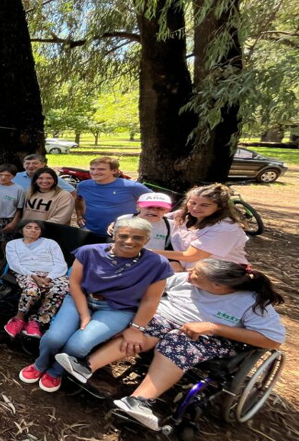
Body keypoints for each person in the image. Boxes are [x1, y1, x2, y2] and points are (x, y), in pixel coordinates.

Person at [56, 260, 285, 431]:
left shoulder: (251, 303)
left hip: (208, 336)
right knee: (145, 327)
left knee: (177, 341)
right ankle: (86, 366)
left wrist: (213, 327)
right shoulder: (183, 279)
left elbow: (272, 340)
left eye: (197, 274)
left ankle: (139, 400)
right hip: (164, 319)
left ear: (217, 285)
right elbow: (151, 293)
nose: (189, 273)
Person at [19, 217, 173, 393]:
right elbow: (74, 283)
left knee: (78, 345)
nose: (129, 241)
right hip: (81, 298)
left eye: (138, 237)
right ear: (114, 235)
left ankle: (56, 371)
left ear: (147, 239)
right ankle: (40, 364)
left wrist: (136, 329)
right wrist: (84, 315)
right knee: (54, 338)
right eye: (123, 236)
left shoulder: (158, 264)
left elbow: (151, 300)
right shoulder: (89, 252)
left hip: (117, 309)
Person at [151, 183, 249, 270]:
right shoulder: (183, 216)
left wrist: (148, 252)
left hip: (219, 276)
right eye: (192, 203)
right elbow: (156, 218)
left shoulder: (226, 228)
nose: (195, 208)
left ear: (219, 207)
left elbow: (191, 256)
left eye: (204, 205)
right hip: (187, 271)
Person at [3, 220, 68, 339]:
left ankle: (37, 322)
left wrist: (48, 278)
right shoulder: (13, 244)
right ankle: (18, 319)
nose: (33, 230)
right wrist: (33, 276)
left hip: (51, 274)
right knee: (32, 290)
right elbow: (14, 264)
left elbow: (61, 264)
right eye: (28, 227)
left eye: (37, 228)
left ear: (41, 232)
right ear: (21, 230)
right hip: (26, 273)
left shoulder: (50, 243)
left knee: (61, 289)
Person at [75, 157, 150, 234]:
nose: (95, 172)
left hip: (122, 233)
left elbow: (155, 202)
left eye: (101, 169)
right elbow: (78, 199)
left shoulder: (132, 186)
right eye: (92, 169)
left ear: (114, 171)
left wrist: (140, 218)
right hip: (90, 230)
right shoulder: (83, 186)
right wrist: (79, 216)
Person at [108, 193, 173, 250]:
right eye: (149, 207)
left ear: (167, 210)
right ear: (138, 207)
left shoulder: (172, 225)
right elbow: (112, 241)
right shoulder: (124, 219)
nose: (153, 210)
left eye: (160, 208)